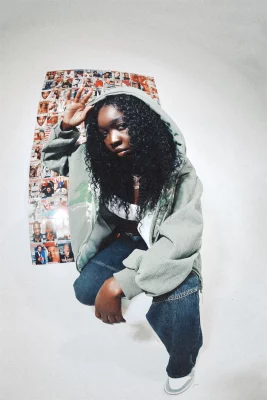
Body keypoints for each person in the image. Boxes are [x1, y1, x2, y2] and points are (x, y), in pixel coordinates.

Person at [42, 86, 203, 395]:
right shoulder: (100, 163)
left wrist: (121, 283)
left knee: (181, 304)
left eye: (121, 125)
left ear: (144, 123)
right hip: (128, 240)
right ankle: (140, 275)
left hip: (167, 245)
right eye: (103, 132)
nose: (112, 139)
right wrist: (65, 127)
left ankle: (183, 363)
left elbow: (181, 239)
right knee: (85, 291)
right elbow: (56, 161)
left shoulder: (179, 173)